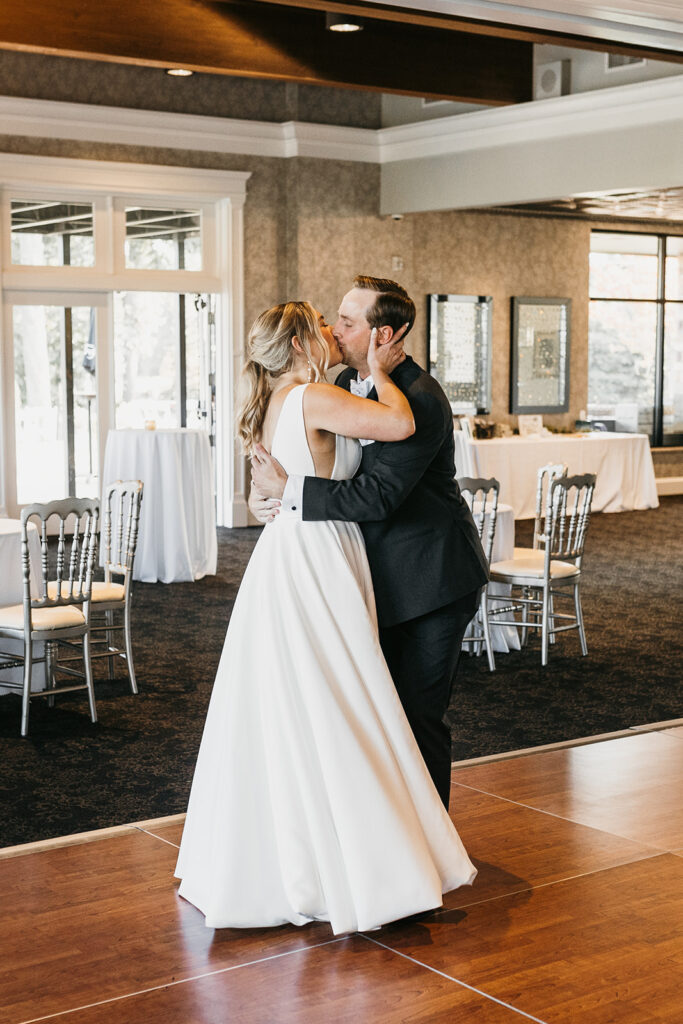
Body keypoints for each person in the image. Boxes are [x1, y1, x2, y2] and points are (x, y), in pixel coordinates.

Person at [175, 300, 476, 935]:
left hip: (299, 547)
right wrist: (383, 370)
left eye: (344, 321)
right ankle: (367, 861)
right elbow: (395, 424)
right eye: (324, 324)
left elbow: (275, 486)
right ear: (302, 342)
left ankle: (316, 853)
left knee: (307, 703)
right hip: (319, 555)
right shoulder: (313, 394)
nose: (334, 332)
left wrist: (278, 496)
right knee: (341, 700)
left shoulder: (285, 397)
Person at [251, 277, 489, 810]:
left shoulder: (422, 400)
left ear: (384, 335)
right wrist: (262, 499)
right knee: (372, 714)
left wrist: (289, 494)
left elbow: (377, 497)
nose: (336, 329)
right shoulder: (334, 380)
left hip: (430, 580)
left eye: (349, 322)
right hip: (362, 576)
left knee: (417, 715)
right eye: (334, 318)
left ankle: (431, 847)